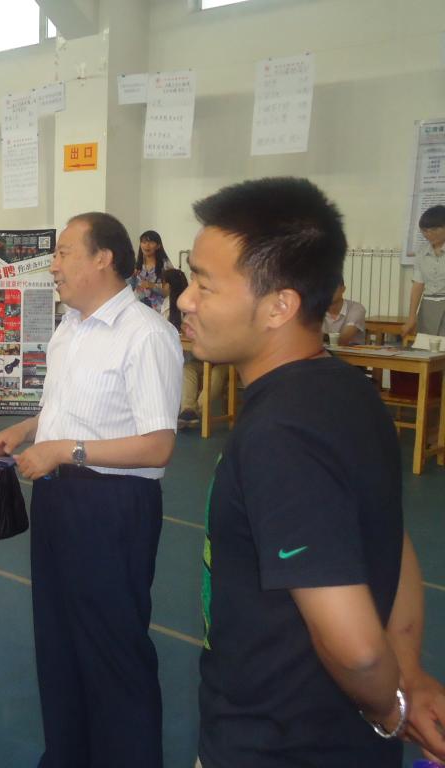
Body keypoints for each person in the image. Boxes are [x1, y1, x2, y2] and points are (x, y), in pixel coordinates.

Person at [178, 177, 445, 768]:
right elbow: (392, 541)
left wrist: (392, 711)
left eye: (203, 284)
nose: (185, 301)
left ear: (280, 306)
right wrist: (409, 673)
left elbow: (356, 651)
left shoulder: (281, 434)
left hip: (275, 745)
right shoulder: (351, 392)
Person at [0, 212, 182, 768]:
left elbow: (158, 445)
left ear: (104, 258)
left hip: (113, 507)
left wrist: (63, 450)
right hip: (57, 498)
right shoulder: (70, 327)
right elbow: (67, 408)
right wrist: (28, 430)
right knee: (59, 640)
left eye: (65, 252)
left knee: (113, 649)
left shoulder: (147, 335)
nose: (53, 265)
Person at [160, 268, 228, 429]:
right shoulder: (195, 305)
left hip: (226, 361)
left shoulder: (223, 308)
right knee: (188, 369)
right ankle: (188, 409)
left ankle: (194, 411)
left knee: (217, 374)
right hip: (204, 360)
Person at [402, 205, 445, 338]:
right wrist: (411, 317)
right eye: (425, 230)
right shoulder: (422, 252)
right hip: (428, 306)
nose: (429, 234)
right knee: (426, 346)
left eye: (434, 229)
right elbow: (418, 285)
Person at [128, 229, 174, 310]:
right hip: (138, 309)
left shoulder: (166, 265)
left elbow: (169, 292)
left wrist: (152, 286)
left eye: (151, 242)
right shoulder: (136, 265)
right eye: (144, 242)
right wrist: (131, 277)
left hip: (158, 311)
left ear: (158, 246)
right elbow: (129, 289)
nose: (147, 245)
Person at [323, 276, 366, 345]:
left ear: (343, 289)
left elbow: (343, 339)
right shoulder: (314, 309)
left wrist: (316, 337)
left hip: (349, 351)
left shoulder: (356, 308)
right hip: (322, 351)